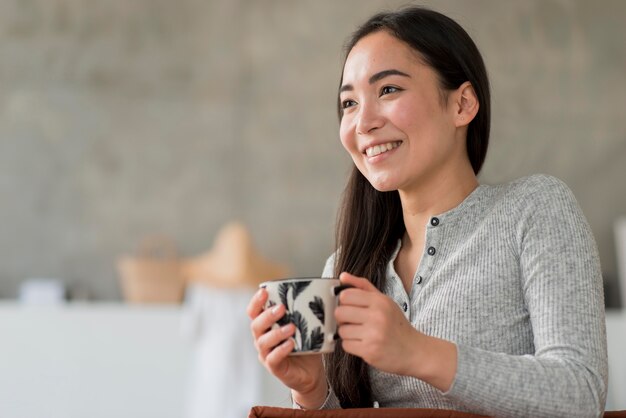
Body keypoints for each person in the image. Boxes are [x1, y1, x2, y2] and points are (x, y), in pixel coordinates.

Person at [247, 6, 608, 417]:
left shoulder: (533, 209)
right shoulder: (345, 266)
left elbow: (580, 394)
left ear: (462, 104)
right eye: (348, 102)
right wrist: (311, 391)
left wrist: (416, 351)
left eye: (388, 90)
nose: (362, 122)